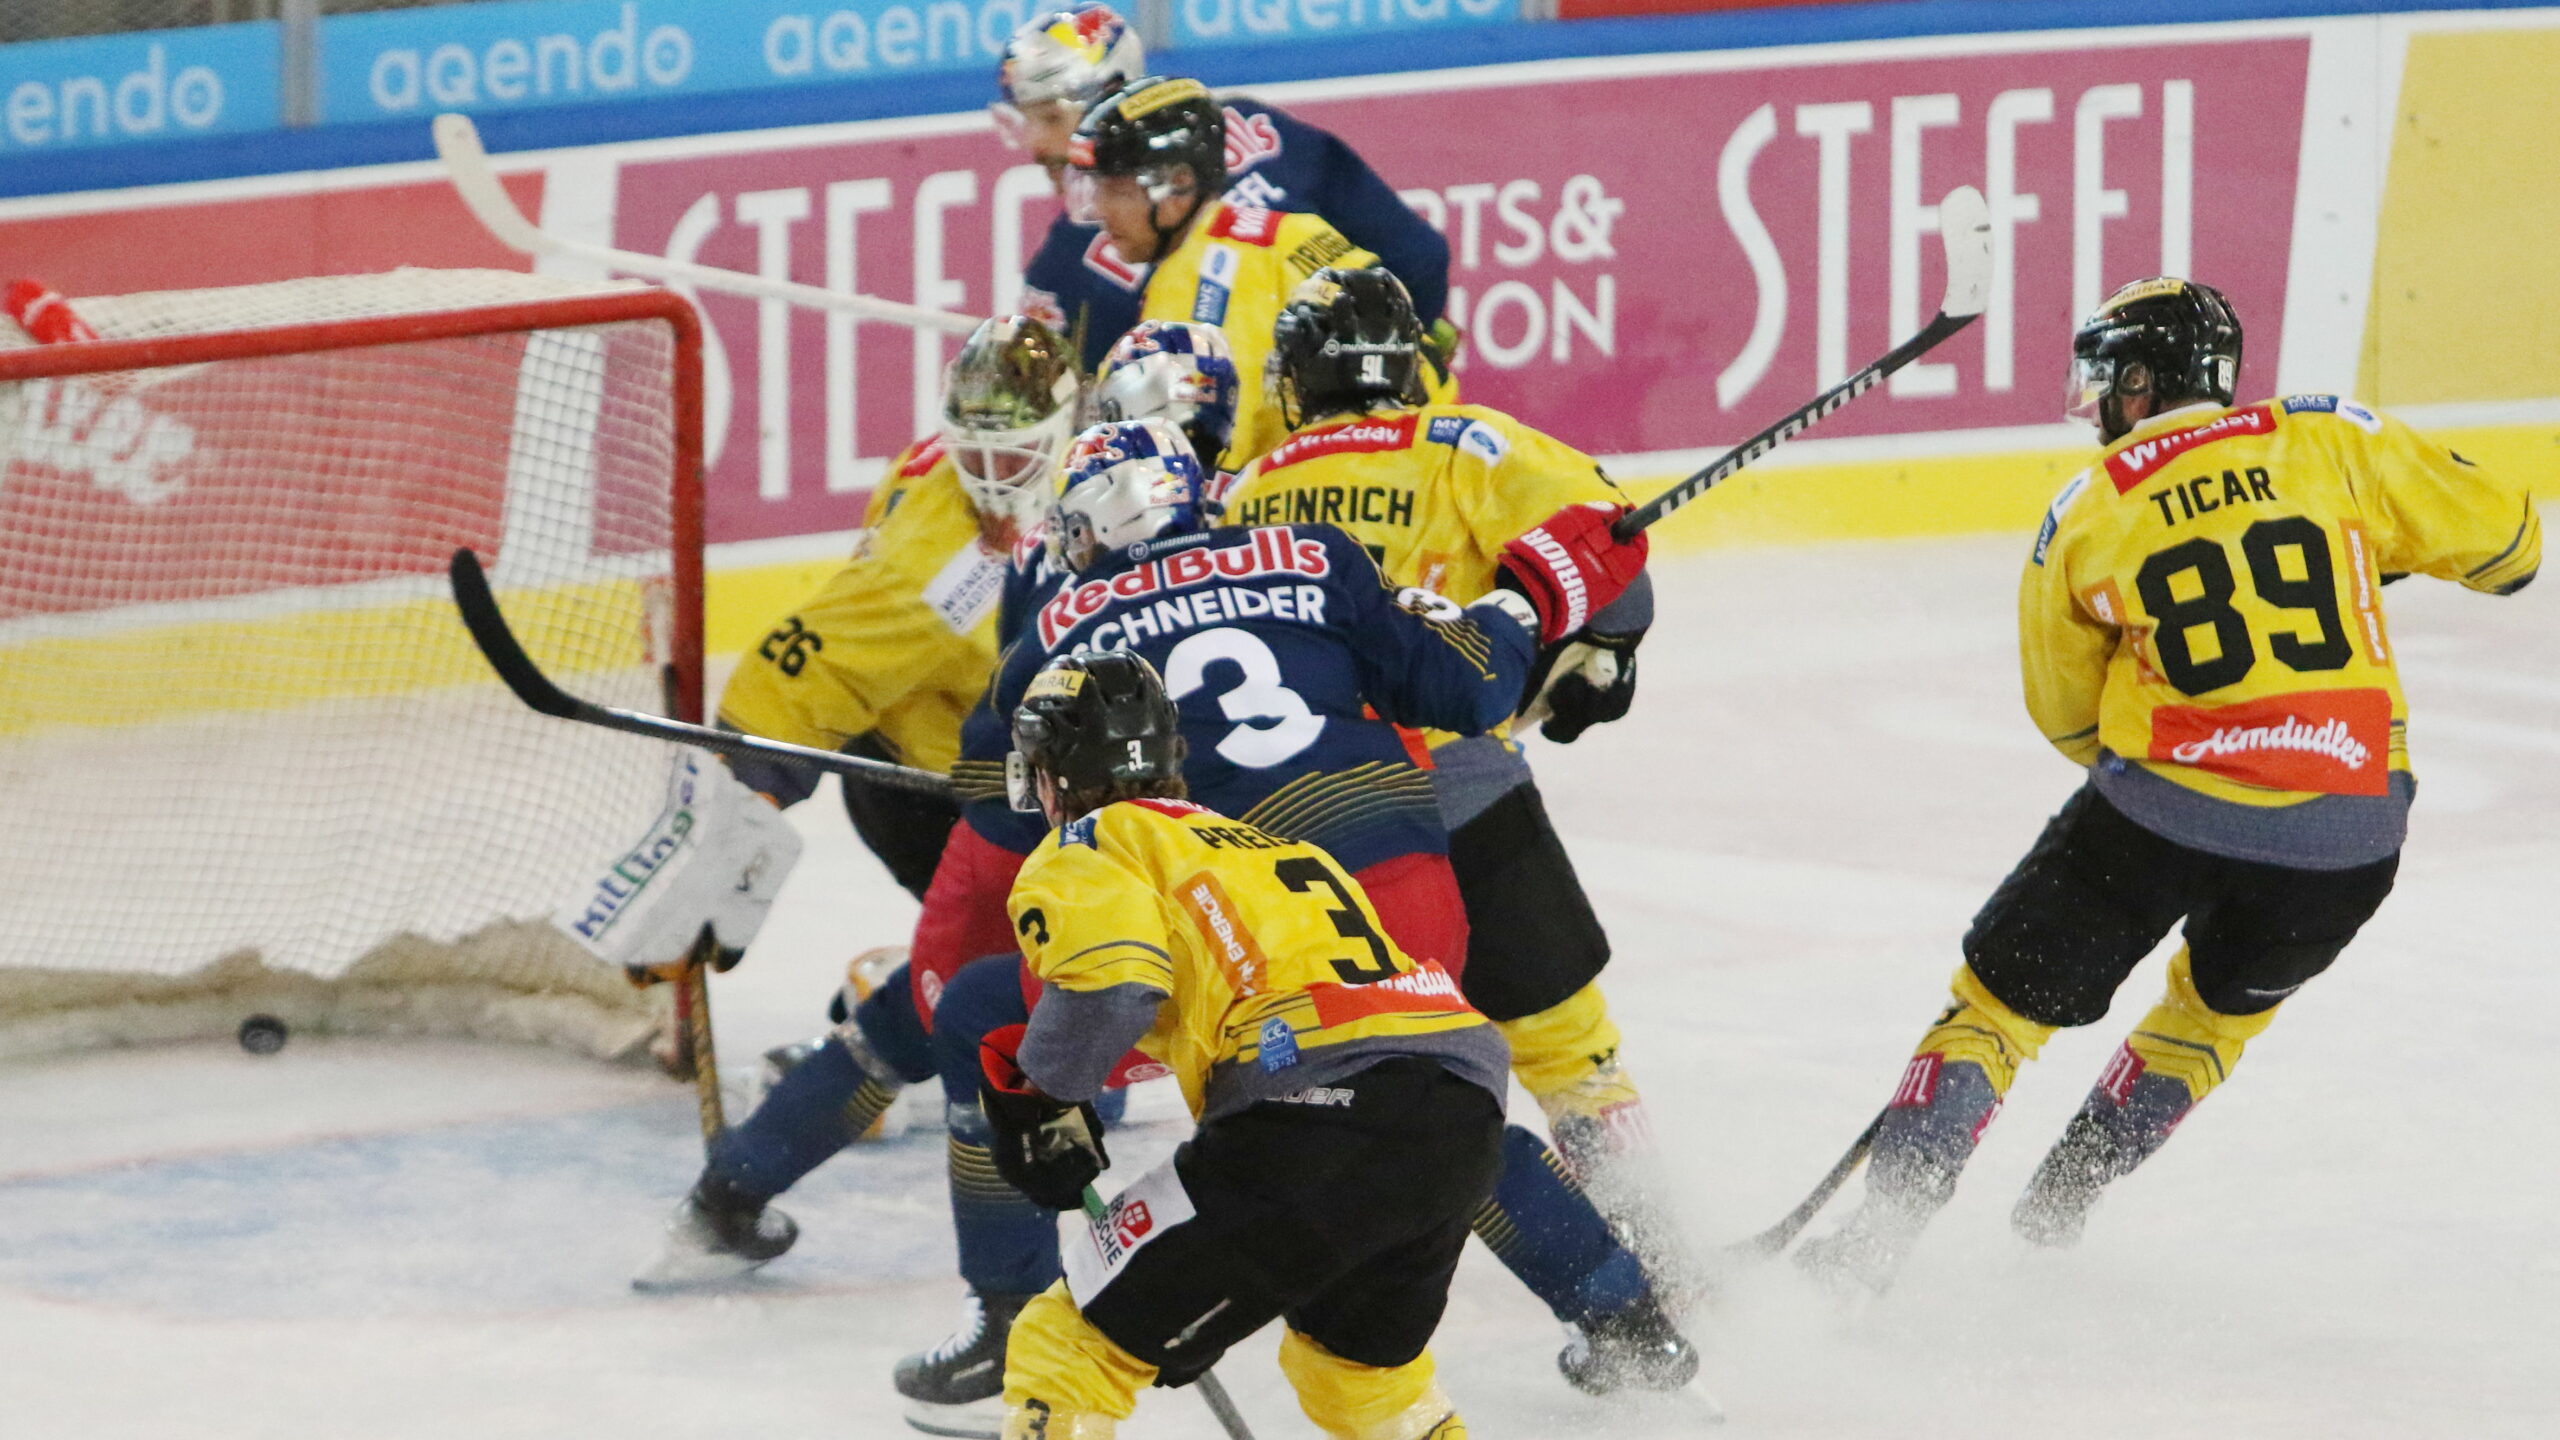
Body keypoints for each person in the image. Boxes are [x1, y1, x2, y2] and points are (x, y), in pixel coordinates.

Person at [899, 418, 1693, 1435]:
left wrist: (1045, 1096)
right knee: (1417, 1090)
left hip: (1230, 915)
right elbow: (1468, 688)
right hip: (1396, 884)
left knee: (982, 1015)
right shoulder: (1317, 555)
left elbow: (1024, 831)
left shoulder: (1052, 636)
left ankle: (1013, 1318)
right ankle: (1622, 1312)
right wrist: (1523, 600)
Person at [1793, 277, 2541, 1293]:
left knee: (1997, 1011)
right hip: (2347, 837)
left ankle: (1875, 1243)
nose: (2096, 403)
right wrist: (2373, 554)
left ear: (2142, 381)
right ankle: (2064, 1199)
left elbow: (2066, 717)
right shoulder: (2331, 439)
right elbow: (2512, 549)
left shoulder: (2089, 507)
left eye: (2105, 381)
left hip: (2157, 818)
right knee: (2210, 1019)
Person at [1219, 267, 1674, 1273]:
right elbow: (1611, 560)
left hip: (1320, 825)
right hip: (1469, 790)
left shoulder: (1248, 493)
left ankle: (1570, 1278)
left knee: (1398, 1075)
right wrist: (1600, 659)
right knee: (1570, 1053)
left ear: (1299, 378)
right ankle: (1660, 1260)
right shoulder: (1460, 440)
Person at [632, 315, 1078, 1286]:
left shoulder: (1094, 497)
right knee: (1038, 1031)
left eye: (1014, 451)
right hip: (951, 800)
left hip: (1021, 797)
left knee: (1032, 1028)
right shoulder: (939, 560)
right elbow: (805, 674)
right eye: (976, 451)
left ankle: (746, 1178)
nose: (993, 476)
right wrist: (735, 820)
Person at [985, 646, 1507, 1440]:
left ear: (1049, 771)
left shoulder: (1089, 844)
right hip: (1461, 1114)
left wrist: (1042, 1100)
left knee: (1069, 1349)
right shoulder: (1267, 844)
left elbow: (1115, 985)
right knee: (1358, 1380)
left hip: (1316, 1117)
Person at [990, 4, 1450, 372]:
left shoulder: (1069, 257)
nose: (1035, 144)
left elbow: (1047, 404)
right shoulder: (1256, 126)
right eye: (1025, 121)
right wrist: (1399, 362)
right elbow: (1419, 259)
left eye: (1050, 117)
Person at [1065, 77, 1453, 470]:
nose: (1099, 210)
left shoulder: (1197, 276)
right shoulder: (1284, 229)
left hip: (1373, 481)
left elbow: (1206, 458)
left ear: (1179, 184)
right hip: (1434, 465)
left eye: (1115, 191)